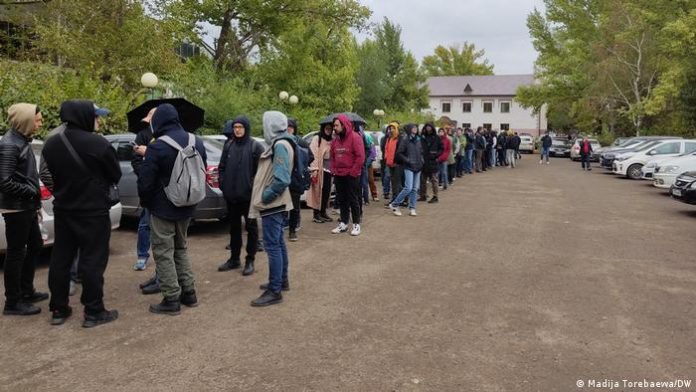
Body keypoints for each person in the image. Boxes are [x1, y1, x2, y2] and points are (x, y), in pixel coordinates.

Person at [43, 100, 121, 327]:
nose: (98, 120)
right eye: (95, 116)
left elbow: (51, 176)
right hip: (93, 212)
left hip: (64, 210)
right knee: (92, 260)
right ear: (84, 116)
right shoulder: (98, 144)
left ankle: (58, 308)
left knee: (60, 259)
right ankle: (94, 311)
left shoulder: (51, 144)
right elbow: (114, 174)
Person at [138, 103, 207, 316]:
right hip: (188, 206)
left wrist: (147, 203)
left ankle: (171, 298)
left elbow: (145, 182)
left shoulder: (158, 146)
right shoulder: (198, 142)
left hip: (163, 208)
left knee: (163, 251)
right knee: (181, 248)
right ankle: (189, 293)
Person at [0, 103, 48, 316]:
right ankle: (12, 302)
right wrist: (30, 191)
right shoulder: (10, 144)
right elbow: (3, 181)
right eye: (37, 120)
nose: (40, 123)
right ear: (25, 120)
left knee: (36, 245)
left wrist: (35, 204)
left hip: (26, 206)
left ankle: (27, 291)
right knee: (16, 253)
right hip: (16, 209)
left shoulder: (22, 141)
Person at [249, 111, 295, 307]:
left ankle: (275, 290)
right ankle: (281, 281)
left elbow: (282, 179)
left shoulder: (280, 145)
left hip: (273, 204)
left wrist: (265, 197)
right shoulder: (282, 143)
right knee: (278, 243)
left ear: (271, 126)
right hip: (277, 203)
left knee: (272, 246)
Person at [217, 116, 264, 275]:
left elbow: (261, 173)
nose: (237, 130)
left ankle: (250, 260)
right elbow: (221, 167)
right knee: (234, 228)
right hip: (231, 196)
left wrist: (252, 188)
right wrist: (224, 185)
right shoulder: (228, 145)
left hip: (248, 197)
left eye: (240, 127)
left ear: (246, 128)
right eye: (235, 127)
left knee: (251, 229)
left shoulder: (255, 147)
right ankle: (234, 259)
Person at [330, 114, 365, 236]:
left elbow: (360, 157)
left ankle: (356, 224)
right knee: (342, 200)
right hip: (339, 175)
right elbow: (333, 156)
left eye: (337, 125)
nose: (334, 128)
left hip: (351, 175)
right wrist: (333, 169)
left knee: (353, 199)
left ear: (344, 125)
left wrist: (353, 172)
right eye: (334, 125)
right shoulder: (335, 140)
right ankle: (344, 223)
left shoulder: (355, 137)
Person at [132, 108, 156, 272]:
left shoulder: (167, 136)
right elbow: (136, 161)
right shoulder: (142, 135)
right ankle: (142, 255)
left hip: (166, 188)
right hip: (148, 187)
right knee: (145, 223)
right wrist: (146, 175)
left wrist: (149, 152)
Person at [388, 124, 423, 216]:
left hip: (418, 167)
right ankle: (394, 204)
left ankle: (412, 208)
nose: (415, 129)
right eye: (413, 127)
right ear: (409, 129)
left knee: (415, 189)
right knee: (408, 188)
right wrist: (408, 160)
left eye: (416, 127)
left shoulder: (419, 139)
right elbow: (399, 153)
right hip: (409, 166)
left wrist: (422, 161)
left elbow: (421, 152)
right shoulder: (405, 139)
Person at [286, 118, 309, 242]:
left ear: (294, 128)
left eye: (291, 126)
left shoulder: (300, 142)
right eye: (286, 126)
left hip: (295, 179)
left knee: (294, 207)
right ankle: (283, 226)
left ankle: (292, 230)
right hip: (283, 178)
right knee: (282, 206)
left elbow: (310, 156)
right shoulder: (281, 141)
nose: (288, 128)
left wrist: (302, 167)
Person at [307, 123, 334, 223]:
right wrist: (315, 169)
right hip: (319, 169)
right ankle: (316, 214)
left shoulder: (332, 139)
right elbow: (313, 154)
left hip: (329, 169)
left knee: (326, 192)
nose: (328, 130)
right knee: (317, 192)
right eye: (327, 128)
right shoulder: (317, 138)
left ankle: (323, 212)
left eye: (330, 129)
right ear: (323, 128)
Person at [419, 123, 442, 203]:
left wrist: (436, 155)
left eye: (429, 127)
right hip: (424, 162)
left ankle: (435, 196)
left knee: (434, 180)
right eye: (427, 127)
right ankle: (423, 195)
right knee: (422, 180)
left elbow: (441, 148)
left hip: (432, 161)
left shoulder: (436, 138)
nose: (428, 129)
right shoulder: (422, 137)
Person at [383, 122, 402, 205]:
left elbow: (400, 151)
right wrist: (386, 157)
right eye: (390, 128)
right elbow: (386, 149)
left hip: (397, 164)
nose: (391, 130)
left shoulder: (399, 139)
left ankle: (397, 200)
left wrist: (396, 160)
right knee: (393, 183)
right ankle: (396, 199)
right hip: (390, 163)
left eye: (393, 128)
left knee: (396, 184)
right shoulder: (389, 139)